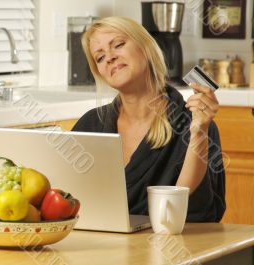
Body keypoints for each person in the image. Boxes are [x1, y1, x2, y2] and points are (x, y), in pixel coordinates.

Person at [72, 16, 226, 222]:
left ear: (146, 47)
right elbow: (70, 202)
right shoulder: (90, 125)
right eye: (99, 58)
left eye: (118, 45)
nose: (109, 57)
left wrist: (199, 131)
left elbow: (179, 209)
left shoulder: (192, 124)